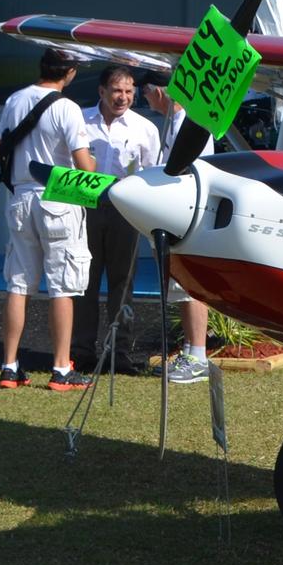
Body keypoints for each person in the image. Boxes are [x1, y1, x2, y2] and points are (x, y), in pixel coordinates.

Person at [0, 48, 97, 390]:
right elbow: (84, 165)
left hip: (21, 196)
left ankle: (9, 367)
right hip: (58, 197)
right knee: (62, 286)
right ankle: (61, 369)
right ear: (68, 73)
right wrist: (93, 161)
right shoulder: (67, 107)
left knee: (18, 284)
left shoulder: (15, 100)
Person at [74, 65, 161, 374]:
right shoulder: (80, 120)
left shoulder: (144, 128)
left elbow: (151, 172)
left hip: (125, 211)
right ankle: (81, 352)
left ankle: (119, 354)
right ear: (101, 91)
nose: (123, 97)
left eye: (128, 91)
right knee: (84, 280)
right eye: (116, 91)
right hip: (85, 208)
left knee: (123, 283)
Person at [142, 70, 216, 384]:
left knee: (188, 287)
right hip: (173, 215)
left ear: (155, 90)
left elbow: (190, 171)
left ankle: (197, 354)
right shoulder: (173, 123)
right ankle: (190, 349)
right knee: (178, 288)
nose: (143, 99)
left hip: (185, 215)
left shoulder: (188, 124)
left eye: (144, 92)